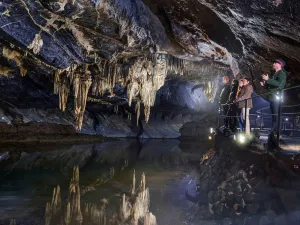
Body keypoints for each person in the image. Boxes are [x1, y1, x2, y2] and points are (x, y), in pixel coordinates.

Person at [260, 59, 287, 132]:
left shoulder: (282, 73)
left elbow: (280, 85)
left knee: (276, 115)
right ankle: (274, 132)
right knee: (274, 115)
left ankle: (276, 132)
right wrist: (264, 84)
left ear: (280, 65)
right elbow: (271, 86)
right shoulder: (275, 74)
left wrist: (268, 79)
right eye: (274, 62)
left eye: (275, 63)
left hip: (277, 97)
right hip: (273, 97)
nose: (273, 63)